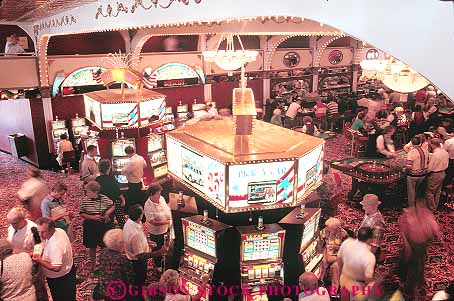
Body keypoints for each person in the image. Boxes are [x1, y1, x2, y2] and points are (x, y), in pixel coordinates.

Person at [123, 205, 166, 301]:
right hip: (137, 263)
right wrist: (158, 253)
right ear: (140, 216)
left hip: (132, 257)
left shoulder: (130, 222)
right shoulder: (135, 234)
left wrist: (147, 243)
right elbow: (140, 255)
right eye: (142, 212)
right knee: (139, 283)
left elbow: (137, 242)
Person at [399, 207, 441, 299]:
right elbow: (403, 229)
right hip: (414, 246)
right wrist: (407, 245)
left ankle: (418, 281)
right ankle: (409, 290)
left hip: (420, 245)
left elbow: (435, 231)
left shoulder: (425, 214)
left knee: (419, 263)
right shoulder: (409, 215)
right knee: (413, 267)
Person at [32, 217, 76, 301]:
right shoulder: (59, 230)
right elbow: (46, 242)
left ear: (51, 229)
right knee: (70, 295)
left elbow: (56, 268)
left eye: (43, 232)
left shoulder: (55, 246)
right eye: (39, 232)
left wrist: (39, 260)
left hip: (60, 279)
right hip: (69, 269)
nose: (40, 235)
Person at [80, 181, 115, 271]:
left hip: (102, 225)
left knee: (104, 246)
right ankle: (93, 265)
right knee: (92, 247)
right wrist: (92, 217)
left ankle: (104, 263)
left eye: (88, 192)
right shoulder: (84, 200)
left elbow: (113, 205)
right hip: (90, 226)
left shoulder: (104, 198)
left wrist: (107, 213)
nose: (86, 193)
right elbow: (82, 213)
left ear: (95, 192)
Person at [337, 227, 376, 301]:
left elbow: (339, 259)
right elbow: (368, 278)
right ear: (369, 240)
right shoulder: (369, 256)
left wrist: (340, 275)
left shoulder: (347, 242)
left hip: (343, 278)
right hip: (357, 286)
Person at [97, 229, 135, 301]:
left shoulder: (103, 253)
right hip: (118, 291)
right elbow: (129, 277)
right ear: (120, 244)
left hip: (104, 287)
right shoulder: (122, 259)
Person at [144, 184, 172, 269]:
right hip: (155, 231)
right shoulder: (148, 206)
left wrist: (170, 217)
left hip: (165, 228)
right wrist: (167, 221)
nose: (160, 195)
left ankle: (164, 260)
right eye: (158, 193)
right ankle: (158, 264)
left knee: (165, 245)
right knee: (157, 248)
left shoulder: (161, 199)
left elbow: (166, 209)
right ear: (152, 194)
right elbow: (153, 222)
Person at [318, 218, 348, 295]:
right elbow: (320, 242)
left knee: (335, 267)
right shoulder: (326, 230)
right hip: (326, 253)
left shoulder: (343, 234)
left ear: (337, 229)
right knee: (322, 262)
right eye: (328, 228)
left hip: (338, 256)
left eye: (331, 229)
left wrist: (337, 247)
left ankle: (334, 291)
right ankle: (320, 284)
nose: (328, 231)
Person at [96, 159, 126, 227]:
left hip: (102, 204)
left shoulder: (97, 179)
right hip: (113, 202)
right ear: (108, 168)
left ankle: (110, 225)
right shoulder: (111, 179)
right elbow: (117, 192)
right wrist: (123, 200)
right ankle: (122, 225)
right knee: (119, 212)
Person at [426, 138, 449, 210]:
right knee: (437, 191)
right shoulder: (445, 152)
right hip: (443, 173)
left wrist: (424, 172)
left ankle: (432, 208)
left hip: (435, 174)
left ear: (433, 145)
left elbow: (430, 168)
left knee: (429, 192)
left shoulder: (435, 154)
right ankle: (435, 206)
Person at [406, 136, 429, 207]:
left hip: (413, 176)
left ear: (412, 143)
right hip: (423, 175)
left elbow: (409, 166)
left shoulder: (411, 152)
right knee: (417, 190)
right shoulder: (425, 150)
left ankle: (411, 207)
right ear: (420, 143)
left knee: (411, 192)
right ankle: (418, 204)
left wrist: (404, 169)